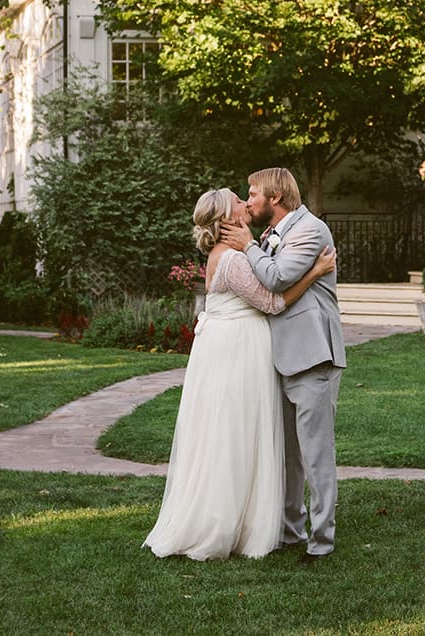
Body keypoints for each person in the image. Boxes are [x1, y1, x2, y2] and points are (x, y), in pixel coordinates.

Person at [145, 187, 337, 561]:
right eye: (238, 200)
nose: (245, 203)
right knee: (234, 436)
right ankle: (226, 523)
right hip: (235, 352)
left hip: (232, 348)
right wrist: (316, 271)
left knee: (233, 435)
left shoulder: (234, 252)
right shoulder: (232, 259)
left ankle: (253, 518)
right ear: (227, 217)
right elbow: (271, 302)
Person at [218, 166, 346, 561]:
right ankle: (292, 532)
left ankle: (321, 541)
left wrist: (247, 246)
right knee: (288, 454)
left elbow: (277, 278)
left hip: (312, 355)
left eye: (253, 194)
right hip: (280, 358)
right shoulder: (271, 235)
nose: (249, 201)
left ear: (274, 197)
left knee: (315, 453)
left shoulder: (311, 230)